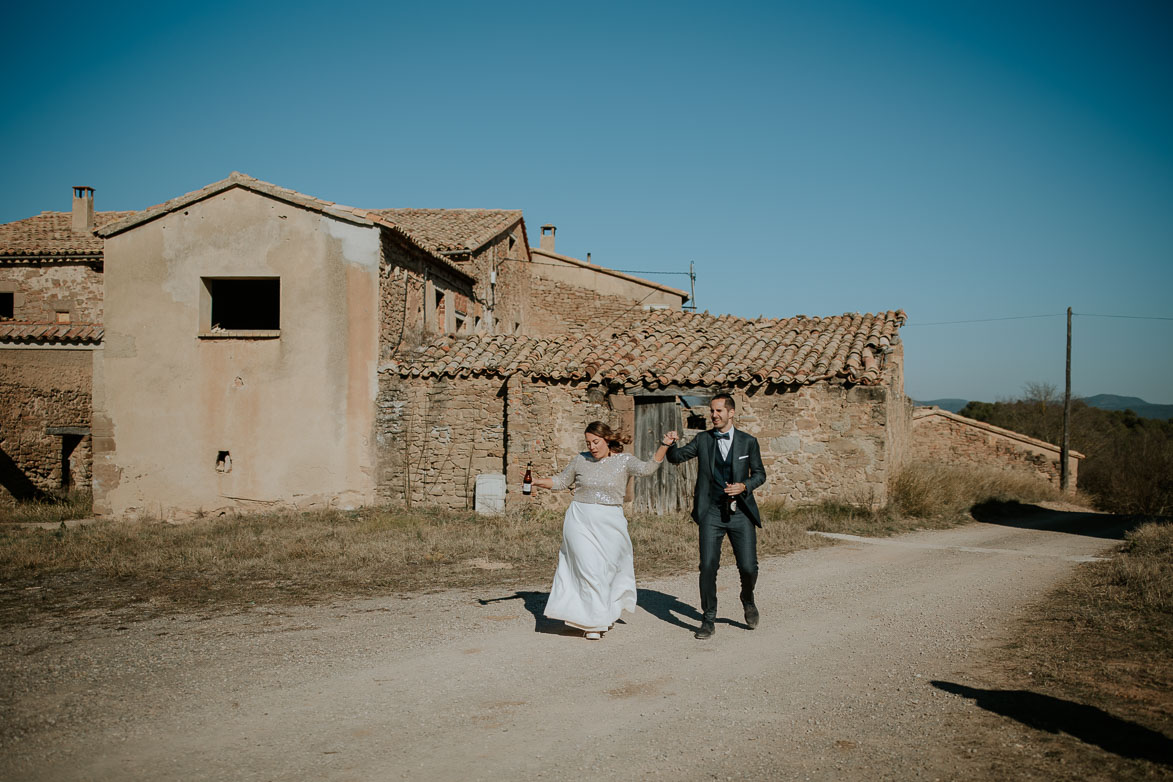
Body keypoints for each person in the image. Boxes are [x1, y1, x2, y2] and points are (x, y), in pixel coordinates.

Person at [530, 421, 674, 640]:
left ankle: (605, 614)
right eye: (588, 443)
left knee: (607, 571)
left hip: (610, 522)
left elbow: (647, 468)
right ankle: (593, 623)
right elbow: (561, 481)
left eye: (596, 442)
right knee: (590, 569)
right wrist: (537, 482)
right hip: (580, 519)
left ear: (607, 439)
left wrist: (664, 445)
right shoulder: (580, 459)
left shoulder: (624, 461)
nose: (592, 447)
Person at [664, 393, 766, 640]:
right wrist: (669, 443)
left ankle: (747, 598)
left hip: (740, 511)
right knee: (708, 566)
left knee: (749, 567)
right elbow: (676, 458)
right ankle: (708, 619)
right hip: (711, 511)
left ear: (731, 413)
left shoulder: (748, 442)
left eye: (719, 411)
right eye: (712, 411)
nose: (714, 415)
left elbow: (760, 474)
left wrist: (744, 486)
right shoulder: (703, 440)